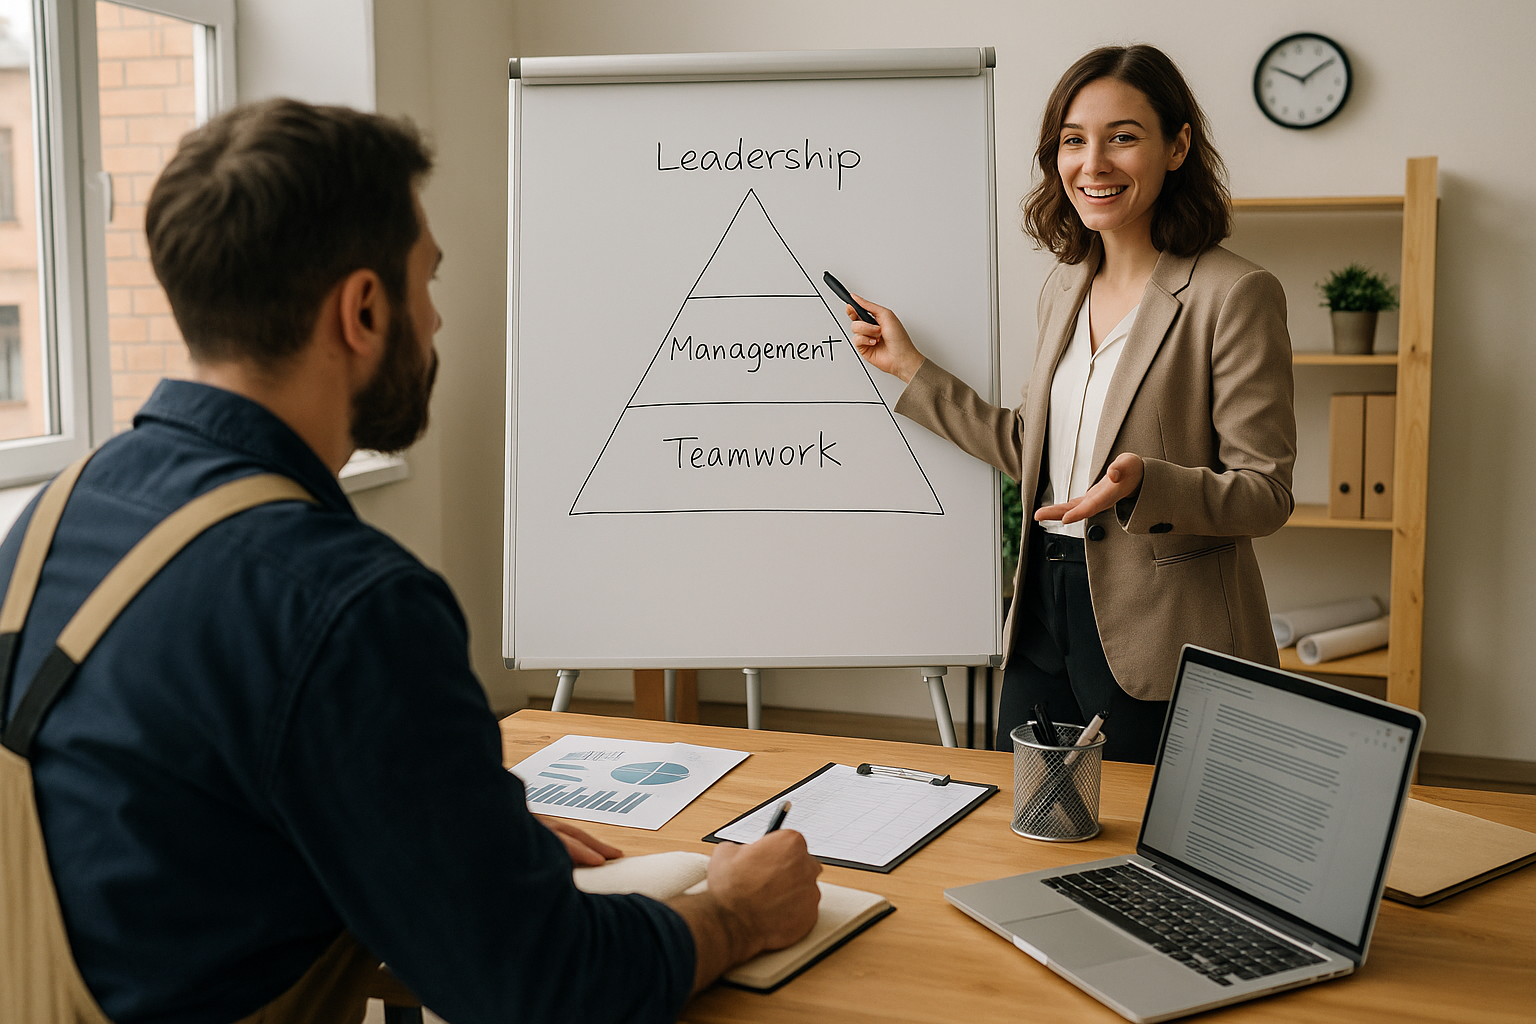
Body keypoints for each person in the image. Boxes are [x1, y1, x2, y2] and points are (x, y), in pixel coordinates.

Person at [0, 98, 821, 1024]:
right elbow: (545, 988)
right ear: (362, 308)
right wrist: (738, 914)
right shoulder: (346, 603)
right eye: (426, 281)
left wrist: (433, 832)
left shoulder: (57, 516)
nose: (434, 320)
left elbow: (160, 827)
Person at [845, 45, 1295, 763]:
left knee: (1141, 842)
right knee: (1025, 822)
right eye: (1073, 141)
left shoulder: (1232, 294)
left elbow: (1266, 493)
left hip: (1161, 622)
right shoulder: (1063, 287)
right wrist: (911, 369)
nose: (1095, 163)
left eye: (1124, 136)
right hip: (1043, 609)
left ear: (1178, 146)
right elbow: (1035, 447)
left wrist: (1146, 483)